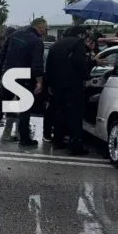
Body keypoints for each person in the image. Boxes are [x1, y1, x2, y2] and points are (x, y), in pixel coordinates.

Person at [0, 19, 46, 145]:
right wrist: (39, 82)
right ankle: (24, 138)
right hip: (25, 76)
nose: (45, 31)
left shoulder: (14, 36)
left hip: (9, 73)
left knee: (1, 104)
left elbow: (1, 54)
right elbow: (37, 64)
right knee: (25, 107)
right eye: (45, 28)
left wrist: (5, 70)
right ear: (39, 27)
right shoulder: (37, 41)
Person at [44, 26, 97, 155]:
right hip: (73, 85)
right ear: (80, 34)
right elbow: (78, 62)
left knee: (60, 113)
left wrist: (50, 84)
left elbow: (49, 65)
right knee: (75, 115)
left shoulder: (56, 44)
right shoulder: (77, 43)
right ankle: (75, 145)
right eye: (84, 34)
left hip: (57, 85)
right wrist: (87, 73)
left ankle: (58, 140)